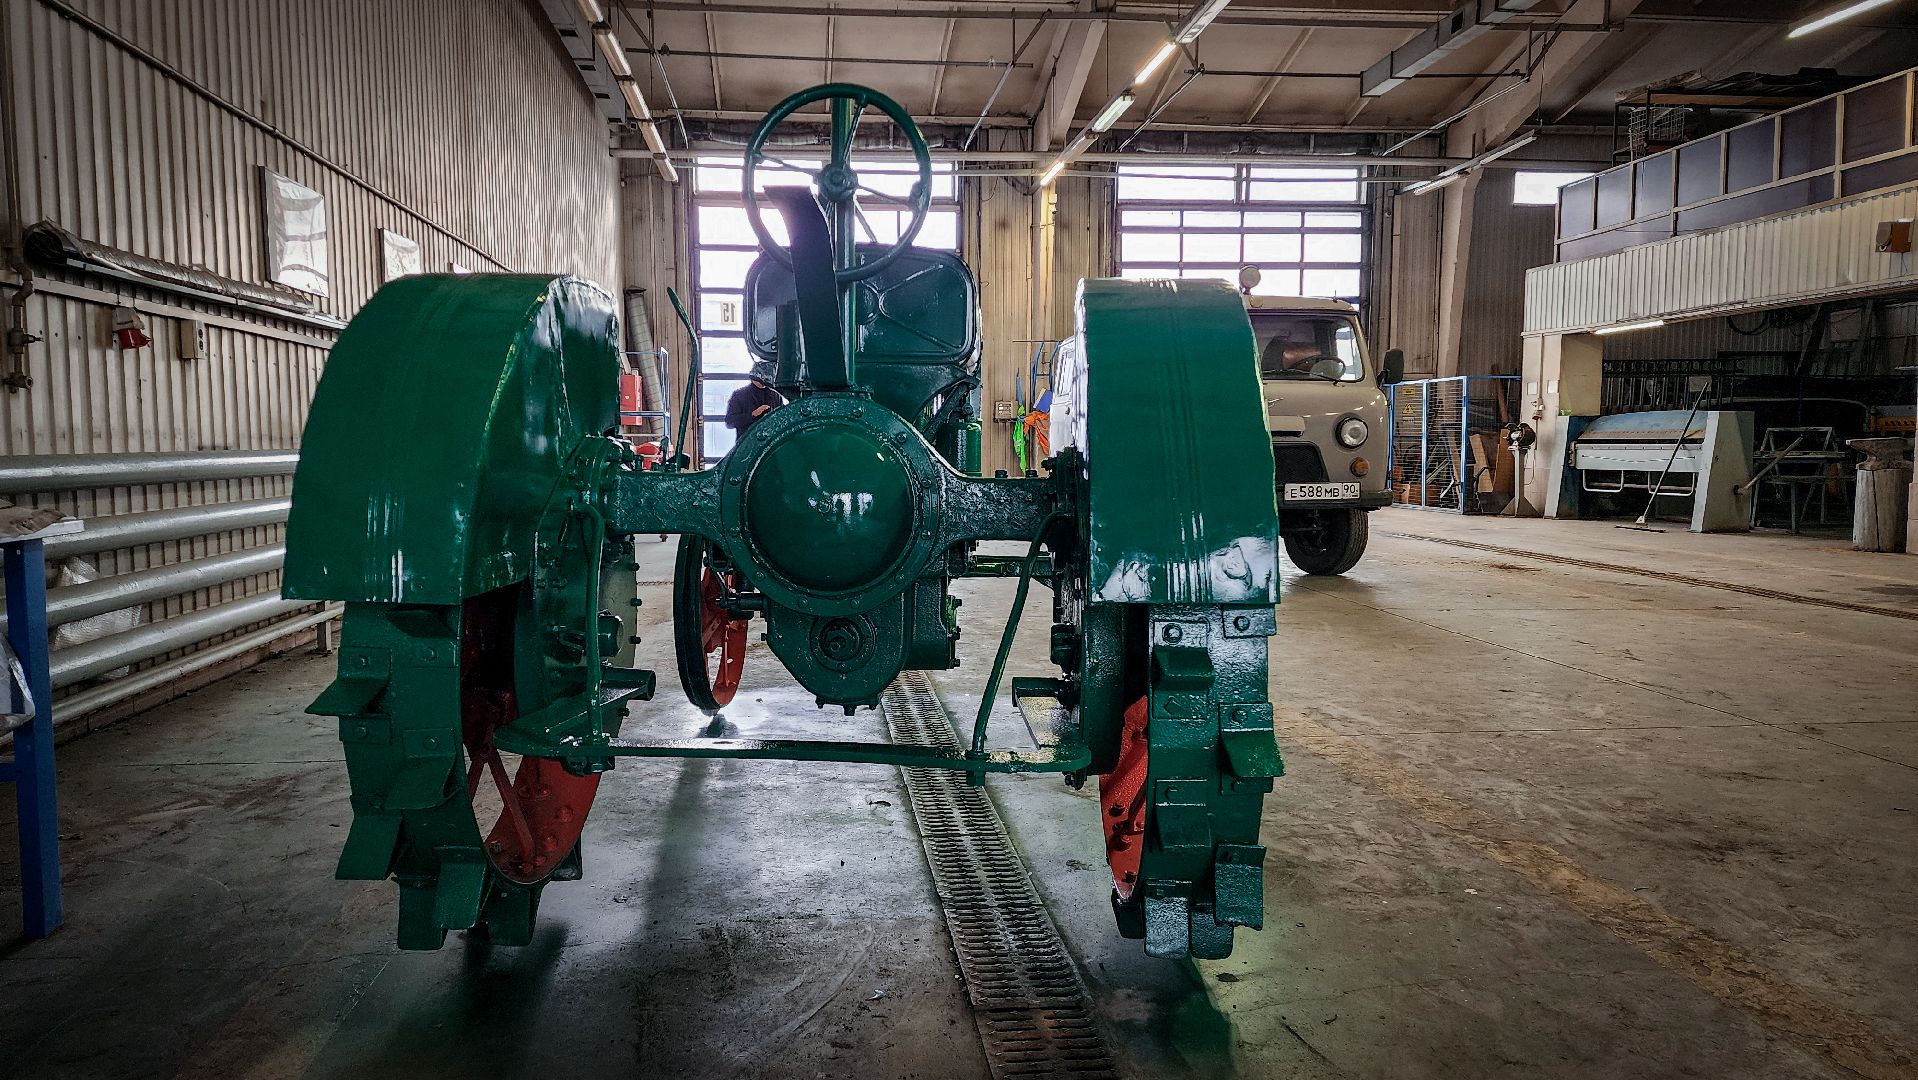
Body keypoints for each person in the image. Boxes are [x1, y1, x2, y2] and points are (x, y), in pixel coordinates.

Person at [725, 361, 784, 439]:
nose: (763, 381)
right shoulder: (739, 395)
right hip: (748, 443)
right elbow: (729, 422)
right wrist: (752, 415)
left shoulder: (775, 395)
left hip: (770, 441)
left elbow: (781, 418)